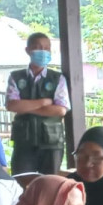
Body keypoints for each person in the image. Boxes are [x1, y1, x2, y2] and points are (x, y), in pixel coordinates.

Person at [6, 32, 70, 175]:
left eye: (47, 48)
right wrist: (43, 102)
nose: (43, 51)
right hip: (24, 143)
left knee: (50, 185)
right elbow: (12, 105)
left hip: (52, 143)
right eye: (38, 47)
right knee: (21, 182)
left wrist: (26, 107)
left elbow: (60, 110)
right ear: (28, 50)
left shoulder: (57, 78)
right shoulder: (16, 77)